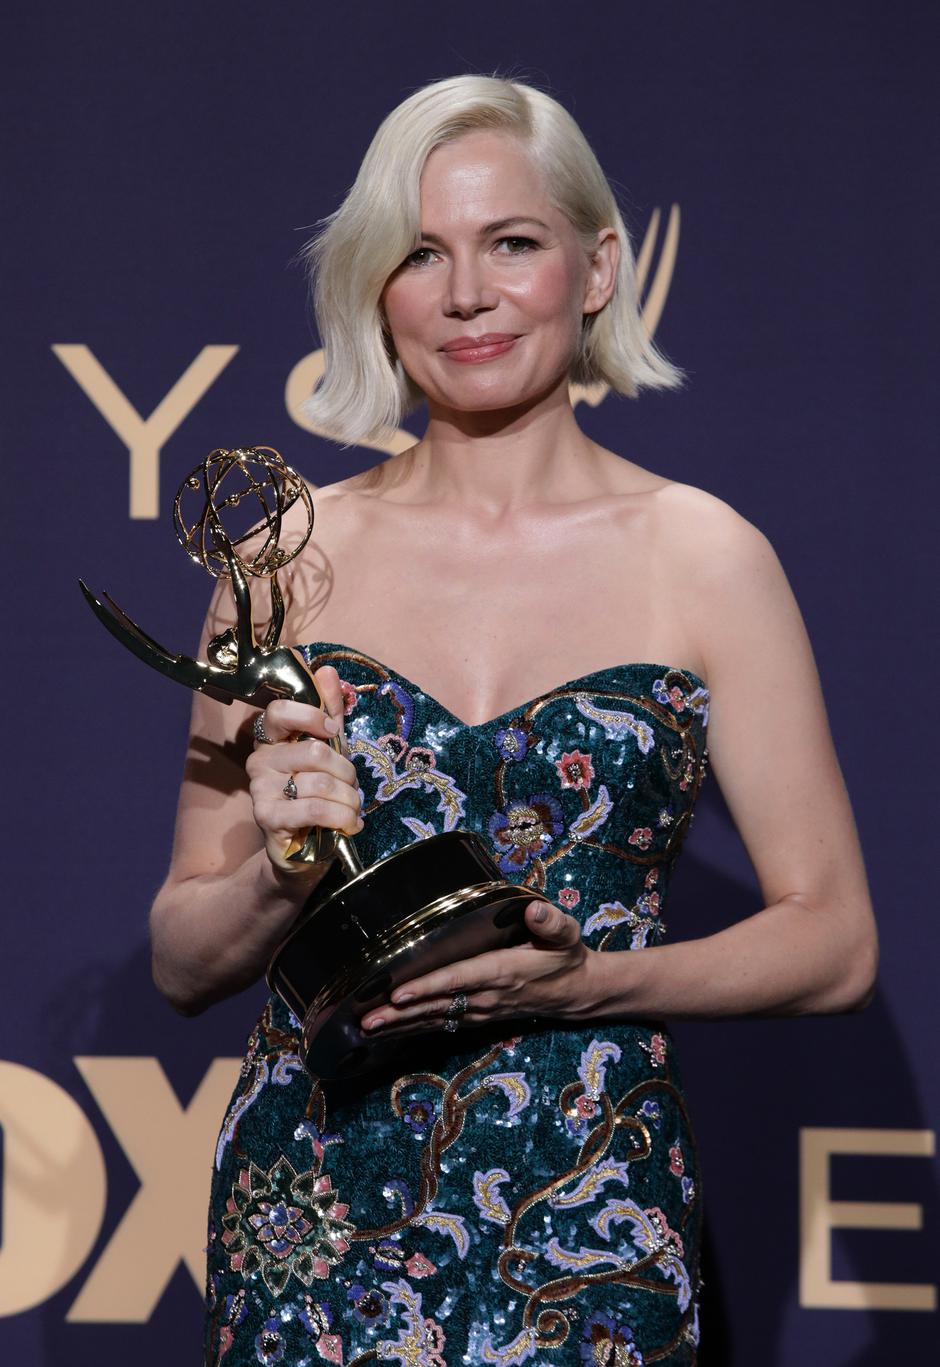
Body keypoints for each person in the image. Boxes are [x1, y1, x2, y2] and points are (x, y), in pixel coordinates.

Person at [150, 74, 878, 1366]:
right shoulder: (283, 563)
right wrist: (281, 868)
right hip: (317, 1212)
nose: (468, 295)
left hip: (592, 1204)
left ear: (597, 269)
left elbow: (833, 942)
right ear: (377, 290)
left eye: (513, 243)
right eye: (421, 253)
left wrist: (596, 983)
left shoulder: (705, 557)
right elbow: (181, 958)